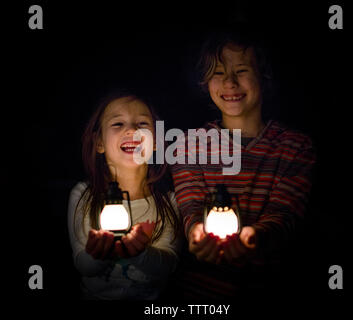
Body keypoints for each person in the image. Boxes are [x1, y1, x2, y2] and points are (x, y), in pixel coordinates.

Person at [171, 29, 316, 300]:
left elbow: (284, 216)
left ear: (264, 76)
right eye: (217, 72)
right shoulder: (188, 146)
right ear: (205, 82)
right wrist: (195, 233)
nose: (229, 82)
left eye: (241, 70)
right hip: (197, 295)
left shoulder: (295, 147)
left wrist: (255, 237)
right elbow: (190, 208)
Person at [67, 90, 180, 300]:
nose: (131, 130)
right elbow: (82, 265)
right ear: (99, 142)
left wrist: (141, 254)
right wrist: (98, 254)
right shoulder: (83, 195)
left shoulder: (169, 202)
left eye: (143, 124)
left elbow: (169, 264)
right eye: (118, 124)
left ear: (155, 142)